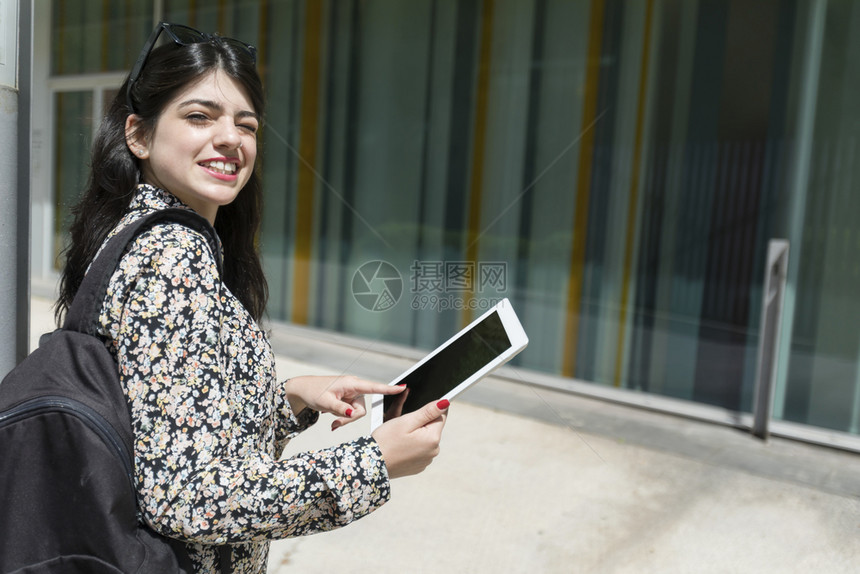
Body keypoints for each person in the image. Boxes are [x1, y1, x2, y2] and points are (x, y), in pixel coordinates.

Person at [55, 23, 448, 573]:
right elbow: (192, 498)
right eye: (199, 117)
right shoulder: (171, 256)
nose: (230, 139)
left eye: (247, 124)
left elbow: (165, 423)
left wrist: (289, 399)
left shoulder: (139, 232)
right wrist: (374, 461)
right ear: (138, 135)